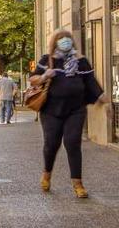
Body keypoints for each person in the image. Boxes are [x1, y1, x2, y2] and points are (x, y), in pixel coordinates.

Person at [30, 29, 112, 198]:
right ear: (55, 42)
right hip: (51, 111)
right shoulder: (48, 60)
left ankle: (78, 184)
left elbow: (92, 84)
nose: (65, 41)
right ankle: (47, 173)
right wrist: (45, 75)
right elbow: (33, 78)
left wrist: (106, 103)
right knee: (51, 144)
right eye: (61, 39)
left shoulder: (81, 62)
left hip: (75, 110)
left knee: (73, 143)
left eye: (67, 38)